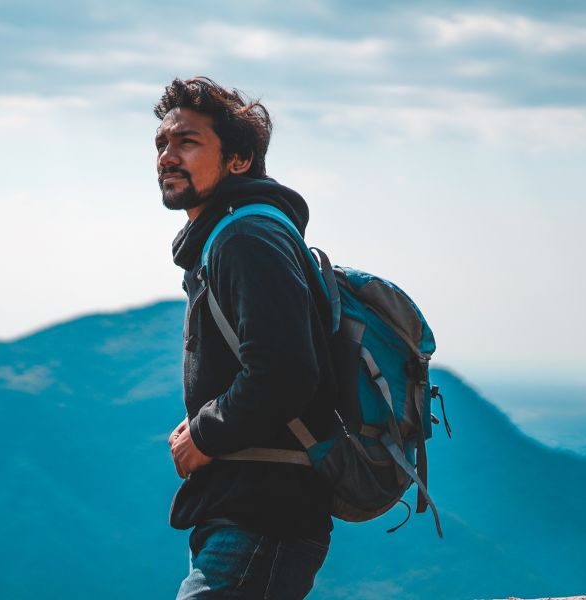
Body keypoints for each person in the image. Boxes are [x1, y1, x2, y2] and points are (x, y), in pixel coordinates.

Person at [157, 77, 337, 600]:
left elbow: (284, 374)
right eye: (162, 144)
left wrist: (204, 434)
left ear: (238, 160)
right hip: (244, 513)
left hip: (262, 518)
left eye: (187, 142)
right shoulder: (231, 235)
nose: (167, 156)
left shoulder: (245, 237)